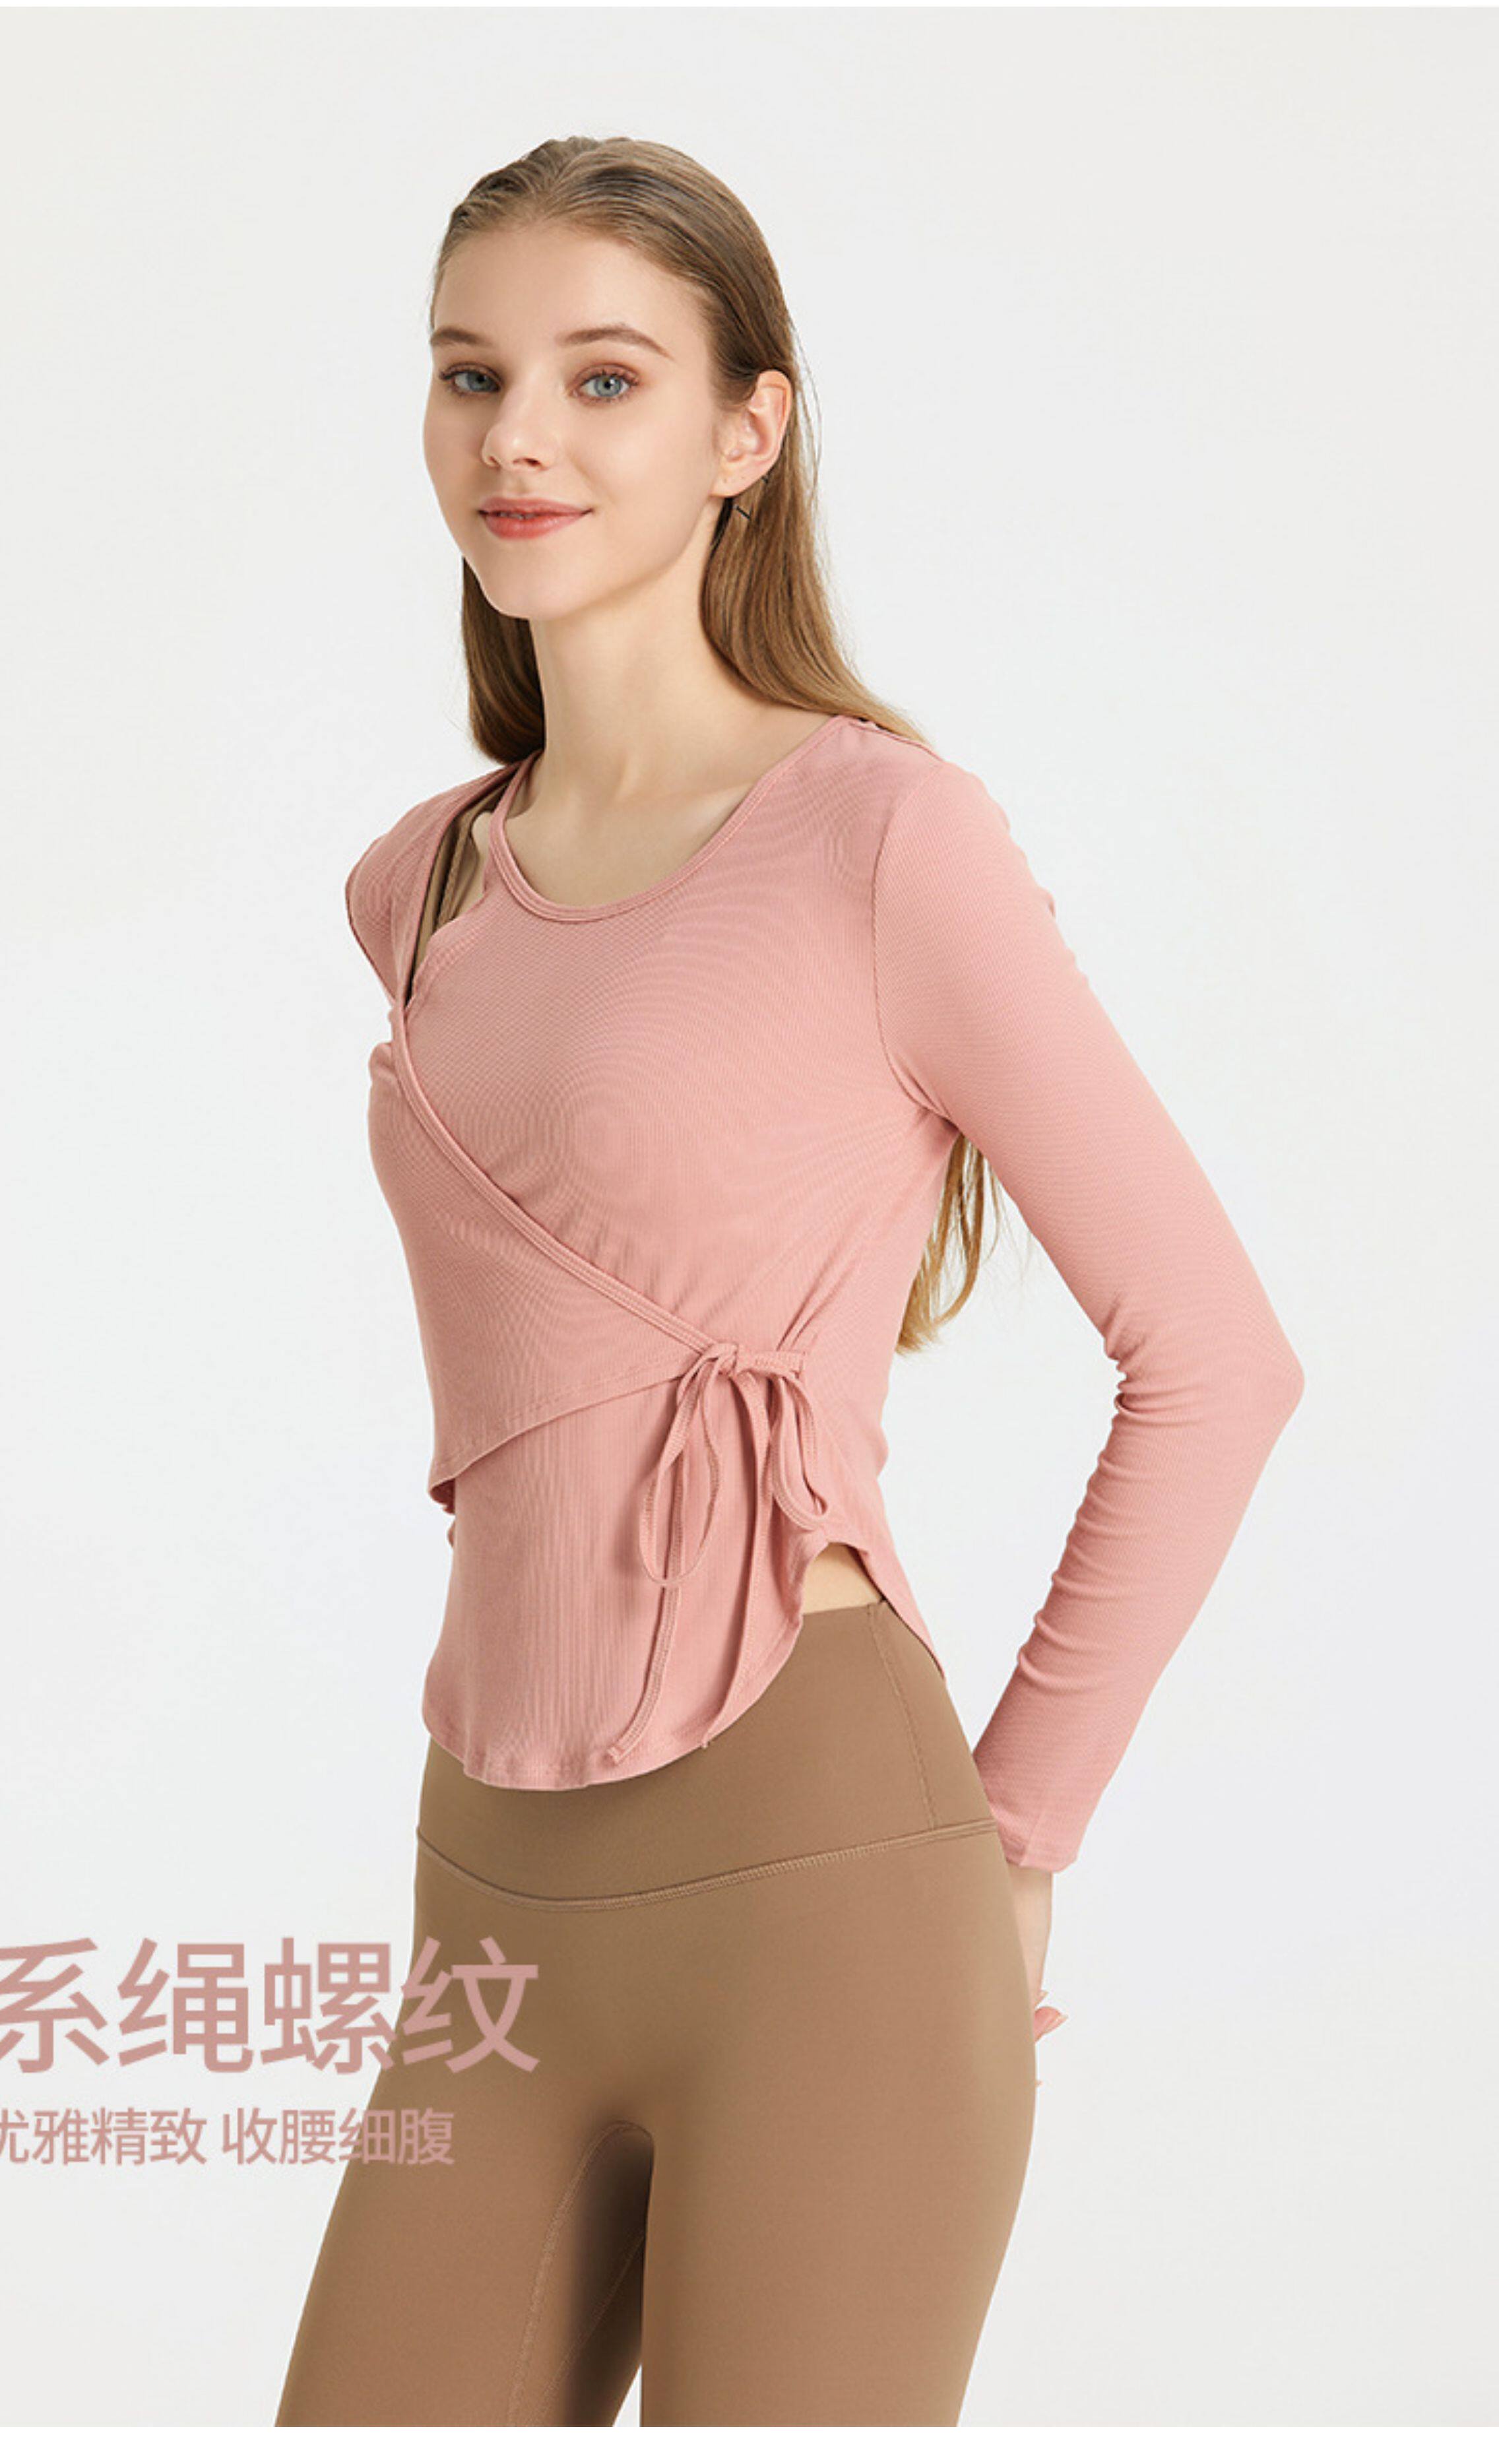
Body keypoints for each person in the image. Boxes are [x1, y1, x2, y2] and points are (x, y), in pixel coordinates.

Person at [274, 135, 1304, 2428]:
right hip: (488, 1895)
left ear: (748, 430)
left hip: (825, 1881)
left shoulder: (879, 839)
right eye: (470, 373)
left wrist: (1014, 1837)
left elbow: (1217, 1361)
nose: (518, 437)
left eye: (603, 378)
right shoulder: (416, 885)